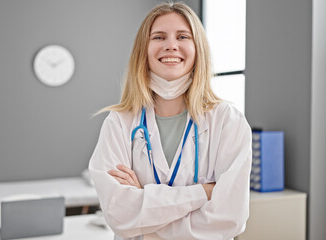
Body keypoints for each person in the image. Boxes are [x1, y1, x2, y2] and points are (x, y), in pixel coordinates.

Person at [89, 3, 252, 240]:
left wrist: (145, 212)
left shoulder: (227, 120)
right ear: (143, 50)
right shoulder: (119, 123)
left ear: (198, 49)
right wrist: (203, 193)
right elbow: (119, 215)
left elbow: (229, 218)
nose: (171, 45)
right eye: (159, 37)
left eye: (183, 36)